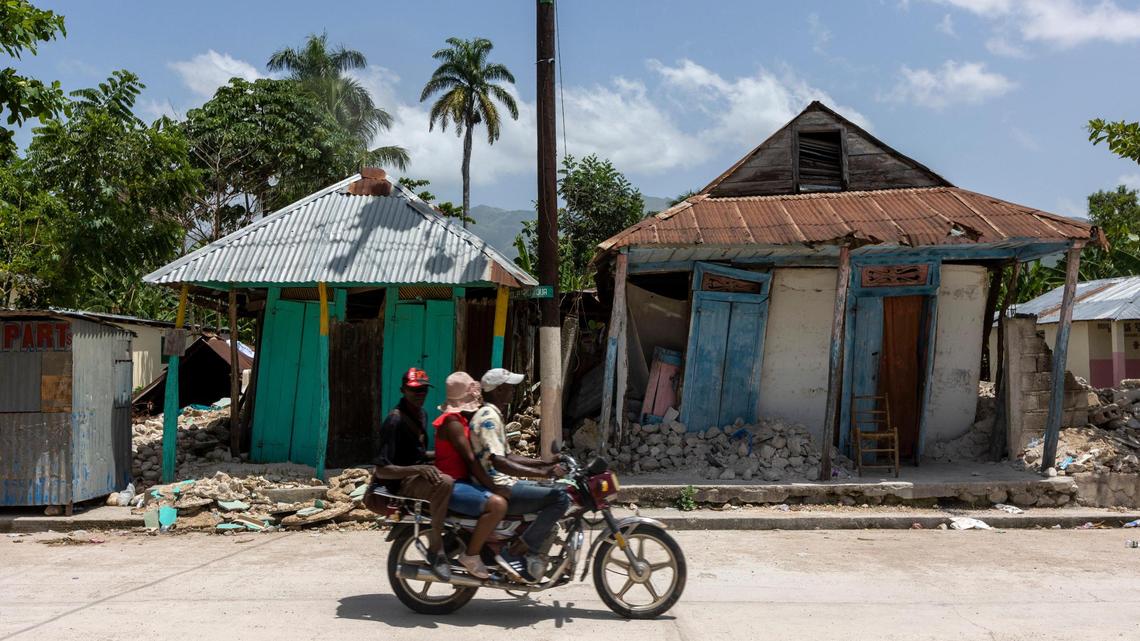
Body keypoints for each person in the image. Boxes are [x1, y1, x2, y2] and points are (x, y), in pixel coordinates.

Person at [470, 368, 570, 583]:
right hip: (498, 487)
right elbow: (500, 462)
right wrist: (543, 473)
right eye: (509, 388)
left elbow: (508, 455)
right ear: (498, 391)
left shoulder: (493, 414)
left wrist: (545, 462)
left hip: (503, 483)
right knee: (560, 498)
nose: (512, 392)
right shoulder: (488, 417)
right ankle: (518, 551)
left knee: (558, 490)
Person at [364, 368, 452, 581]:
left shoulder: (422, 414)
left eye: (423, 390)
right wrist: (419, 469)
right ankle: (437, 550)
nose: (420, 394)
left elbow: (418, 455)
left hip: (415, 475)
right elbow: (382, 468)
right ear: (403, 390)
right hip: (400, 482)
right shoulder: (394, 421)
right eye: (414, 390)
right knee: (445, 483)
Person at [432, 371, 508, 579]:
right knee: (498, 504)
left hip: (464, 481)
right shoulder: (452, 422)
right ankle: (471, 555)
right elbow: (471, 460)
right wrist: (492, 486)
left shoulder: (460, 420)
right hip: (454, 485)